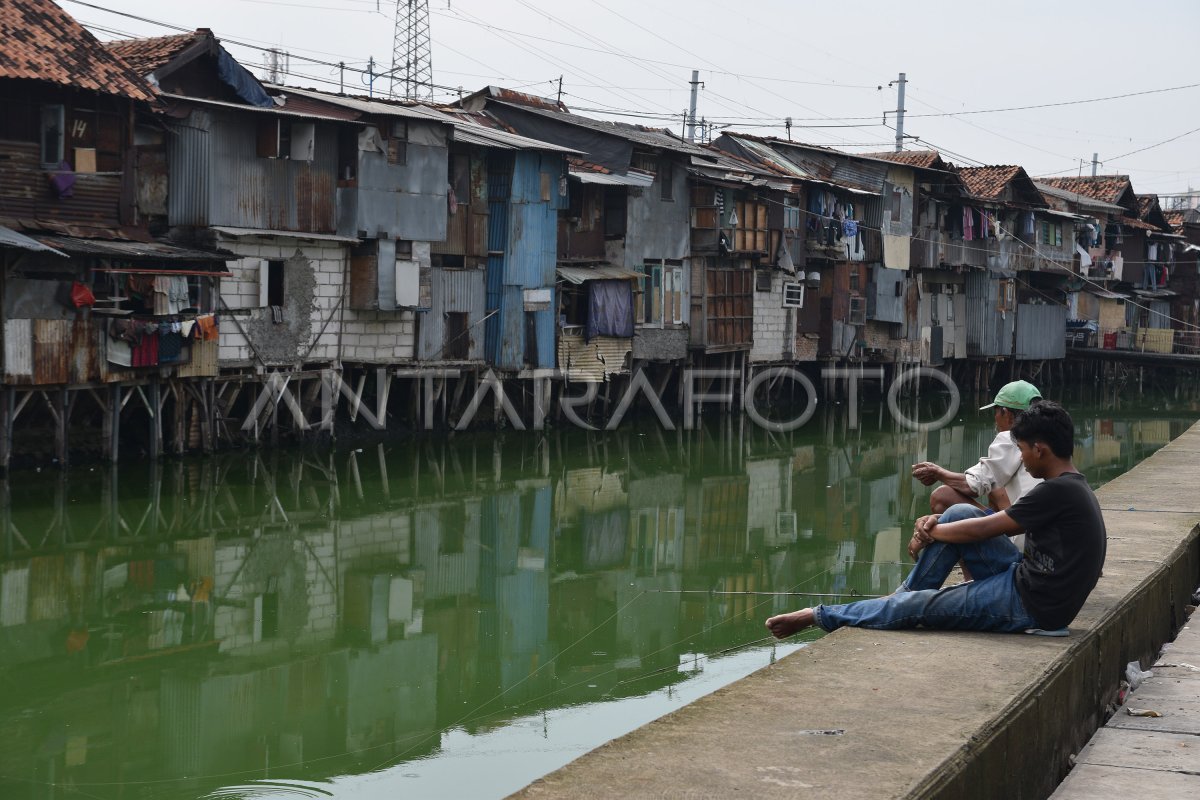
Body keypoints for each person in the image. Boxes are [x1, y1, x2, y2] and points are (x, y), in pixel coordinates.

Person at [765, 401, 1106, 638]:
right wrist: (937, 527)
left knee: (921, 608)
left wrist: (931, 531)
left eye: (1023, 450)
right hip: (1031, 584)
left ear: (1041, 449)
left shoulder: (1057, 492)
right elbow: (986, 520)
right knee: (958, 510)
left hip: (1031, 607)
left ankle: (820, 615)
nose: (1021, 459)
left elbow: (989, 527)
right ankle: (901, 597)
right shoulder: (1070, 486)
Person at [912, 380, 1043, 517]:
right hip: (1033, 524)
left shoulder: (1011, 437)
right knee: (995, 486)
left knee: (942, 496)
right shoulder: (1047, 437)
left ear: (1007, 414)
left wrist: (937, 472)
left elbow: (972, 486)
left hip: (1022, 531)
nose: (995, 419)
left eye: (996, 412)